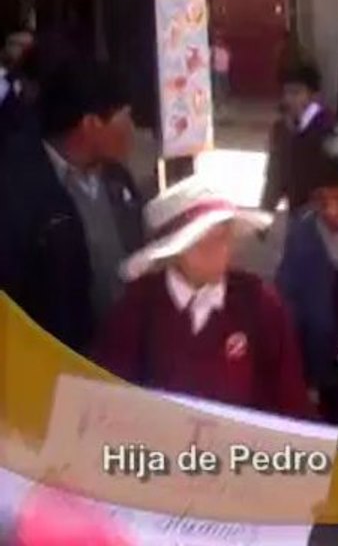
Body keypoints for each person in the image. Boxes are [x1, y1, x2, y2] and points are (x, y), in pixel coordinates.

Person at [95, 177, 312, 418]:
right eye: (202, 240)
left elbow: (290, 400)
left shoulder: (260, 303)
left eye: (224, 235)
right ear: (174, 250)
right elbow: (109, 402)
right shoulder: (137, 309)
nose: (219, 249)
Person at [0, 64, 143, 354]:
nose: (132, 129)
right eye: (125, 117)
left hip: (122, 358)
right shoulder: (16, 190)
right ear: (91, 124)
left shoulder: (118, 179)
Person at [275, 128, 338, 419]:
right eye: (321, 199)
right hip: (318, 385)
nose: (330, 210)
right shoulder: (304, 232)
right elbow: (287, 308)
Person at [260, 63, 336, 216]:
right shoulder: (281, 128)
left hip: (323, 214)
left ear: (314, 96)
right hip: (295, 214)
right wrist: (265, 212)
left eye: (296, 93)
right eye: (286, 93)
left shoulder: (328, 128)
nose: (288, 99)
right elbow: (275, 177)